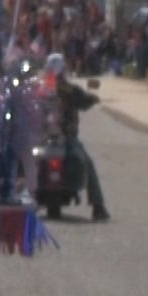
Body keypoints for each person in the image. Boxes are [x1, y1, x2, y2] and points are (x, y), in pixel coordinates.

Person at [46, 54, 109, 221]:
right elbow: (84, 101)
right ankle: (98, 206)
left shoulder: (40, 88)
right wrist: (93, 98)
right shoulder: (69, 89)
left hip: (42, 139)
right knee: (88, 164)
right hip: (66, 138)